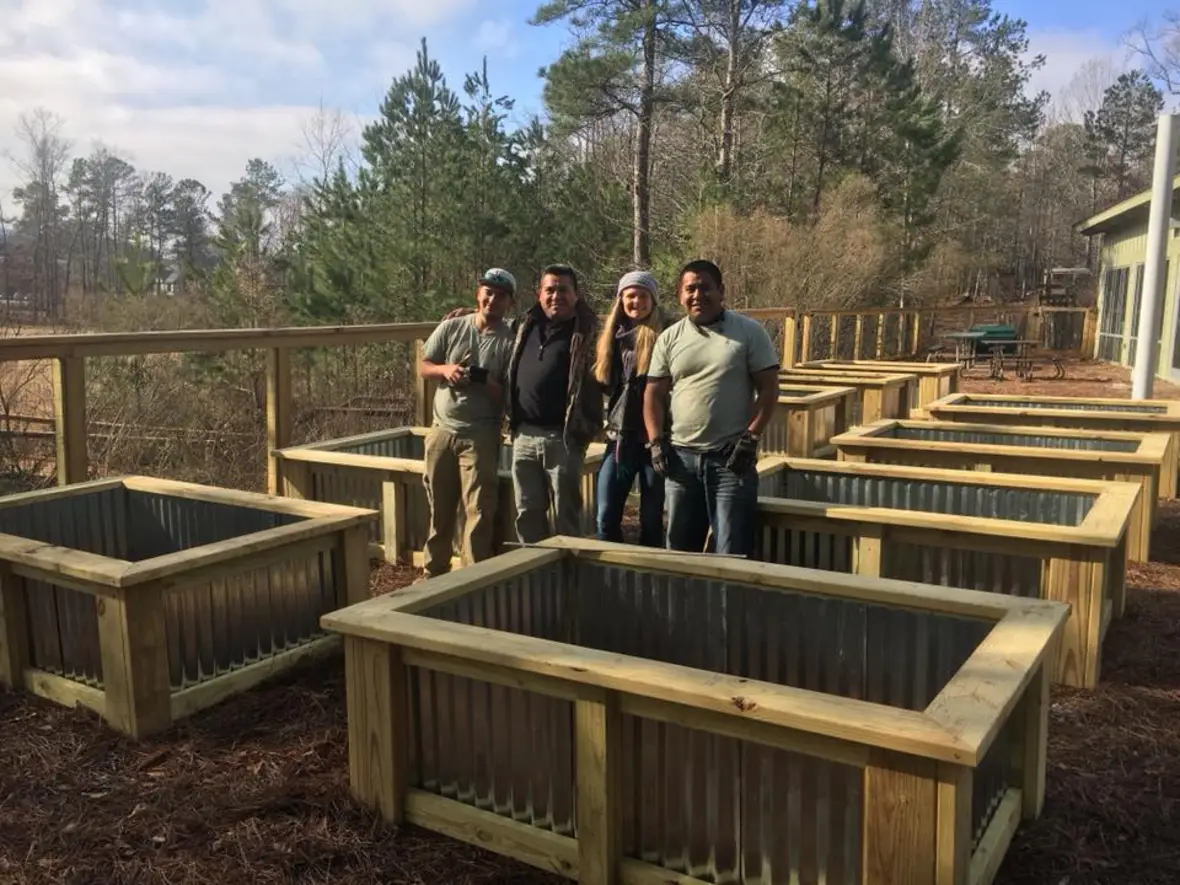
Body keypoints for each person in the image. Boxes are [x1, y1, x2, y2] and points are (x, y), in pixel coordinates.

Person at [643, 259, 779, 556]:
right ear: (680, 295)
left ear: (721, 291)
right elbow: (653, 393)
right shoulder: (669, 338)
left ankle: (728, 603)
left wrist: (751, 438)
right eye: (689, 289)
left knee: (732, 550)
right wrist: (655, 441)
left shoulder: (748, 332)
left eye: (706, 287)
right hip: (680, 460)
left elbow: (768, 388)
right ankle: (682, 604)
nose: (697, 295)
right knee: (679, 550)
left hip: (731, 459)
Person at [416, 267, 517, 577]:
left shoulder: (511, 340)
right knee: (439, 508)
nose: (493, 300)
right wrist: (446, 370)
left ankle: (472, 578)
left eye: (501, 296)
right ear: (478, 294)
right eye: (488, 292)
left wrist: (483, 380)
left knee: (479, 509)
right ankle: (434, 572)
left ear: (509, 303)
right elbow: (423, 365)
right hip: (442, 430)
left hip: (481, 434)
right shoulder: (453, 327)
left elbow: (510, 396)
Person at [505, 264, 603, 543]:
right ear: (540, 294)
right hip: (523, 434)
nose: (556, 296)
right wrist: (469, 315)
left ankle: (569, 580)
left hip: (564, 436)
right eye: (550, 290)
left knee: (566, 515)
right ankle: (536, 574)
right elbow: (494, 324)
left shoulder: (589, 332)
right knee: (527, 512)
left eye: (563, 290)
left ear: (576, 294)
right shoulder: (525, 325)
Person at [592, 270, 667, 547]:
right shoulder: (610, 336)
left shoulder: (666, 332)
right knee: (605, 515)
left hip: (654, 441)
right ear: (621, 299)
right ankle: (609, 575)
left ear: (653, 299)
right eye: (631, 295)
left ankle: (650, 575)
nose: (637, 301)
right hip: (618, 438)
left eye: (643, 295)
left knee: (651, 518)